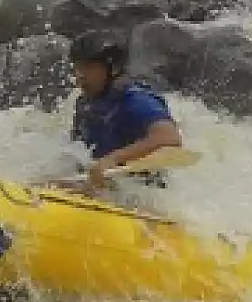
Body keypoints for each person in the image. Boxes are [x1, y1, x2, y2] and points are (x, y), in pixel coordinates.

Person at [59, 31, 183, 194]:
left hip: (144, 194)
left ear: (114, 68)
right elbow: (80, 157)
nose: (80, 75)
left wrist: (114, 159)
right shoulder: (84, 104)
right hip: (108, 189)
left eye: (89, 68)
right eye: (78, 67)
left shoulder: (136, 100)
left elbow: (170, 138)